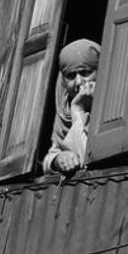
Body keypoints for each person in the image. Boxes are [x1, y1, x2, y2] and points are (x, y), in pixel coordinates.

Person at [43, 39, 100, 175]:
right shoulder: (65, 110)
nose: (79, 82)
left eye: (85, 73)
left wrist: (78, 109)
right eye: (71, 76)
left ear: (100, 71)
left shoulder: (112, 109)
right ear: (63, 81)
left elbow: (88, 157)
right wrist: (58, 160)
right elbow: (51, 156)